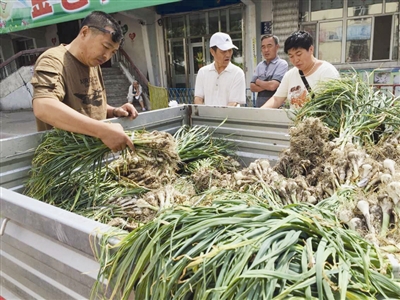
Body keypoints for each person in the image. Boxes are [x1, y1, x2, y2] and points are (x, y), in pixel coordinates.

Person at [31, 11, 138, 152]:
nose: (107, 56)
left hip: (92, 154)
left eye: (113, 52)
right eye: (105, 46)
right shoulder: (53, 61)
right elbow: (43, 106)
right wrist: (101, 130)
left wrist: (114, 111)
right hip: (67, 158)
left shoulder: (93, 63)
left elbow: (89, 104)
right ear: (84, 32)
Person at [261, 30, 339, 109]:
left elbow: (334, 105)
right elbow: (276, 99)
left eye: (299, 54)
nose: (295, 60)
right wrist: (259, 113)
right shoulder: (290, 75)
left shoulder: (327, 71)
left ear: (311, 49)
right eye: (291, 56)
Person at [194, 32, 246, 107]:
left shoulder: (237, 73)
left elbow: (233, 103)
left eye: (230, 50)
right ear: (212, 52)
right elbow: (198, 99)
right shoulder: (203, 72)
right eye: (223, 51)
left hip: (228, 118)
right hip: (206, 118)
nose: (228, 55)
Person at [250, 34, 288, 107]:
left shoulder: (282, 64)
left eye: (269, 46)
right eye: (263, 47)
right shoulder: (259, 66)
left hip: (275, 108)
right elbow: (252, 87)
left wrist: (258, 82)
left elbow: (273, 86)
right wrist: (268, 84)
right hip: (259, 107)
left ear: (277, 47)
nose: (266, 50)